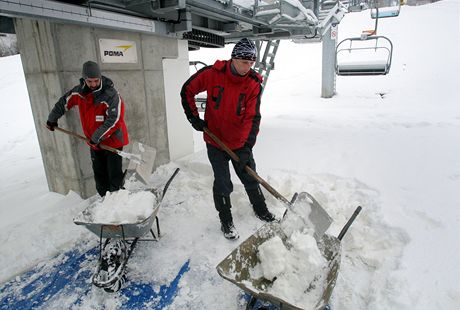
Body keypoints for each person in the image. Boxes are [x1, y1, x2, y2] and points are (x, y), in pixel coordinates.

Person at [181, 38, 276, 240]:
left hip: (239, 144)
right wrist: (193, 118)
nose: (247, 67)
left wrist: (246, 148)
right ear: (234, 58)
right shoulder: (212, 74)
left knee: (250, 177)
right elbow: (187, 90)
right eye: (244, 62)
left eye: (251, 63)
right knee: (223, 182)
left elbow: (253, 118)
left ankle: (261, 209)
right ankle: (226, 220)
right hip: (215, 141)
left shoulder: (252, 84)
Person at [46, 61, 129, 197]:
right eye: (90, 81)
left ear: (100, 77)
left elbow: (115, 120)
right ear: (84, 79)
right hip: (94, 143)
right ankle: (104, 204)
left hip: (113, 142)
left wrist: (97, 137)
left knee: (114, 179)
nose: (93, 84)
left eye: (96, 80)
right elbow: (63, 103)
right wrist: (52, 119)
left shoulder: (111, 94)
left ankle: (117, 204)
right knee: (100, 179)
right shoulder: (78, 93)